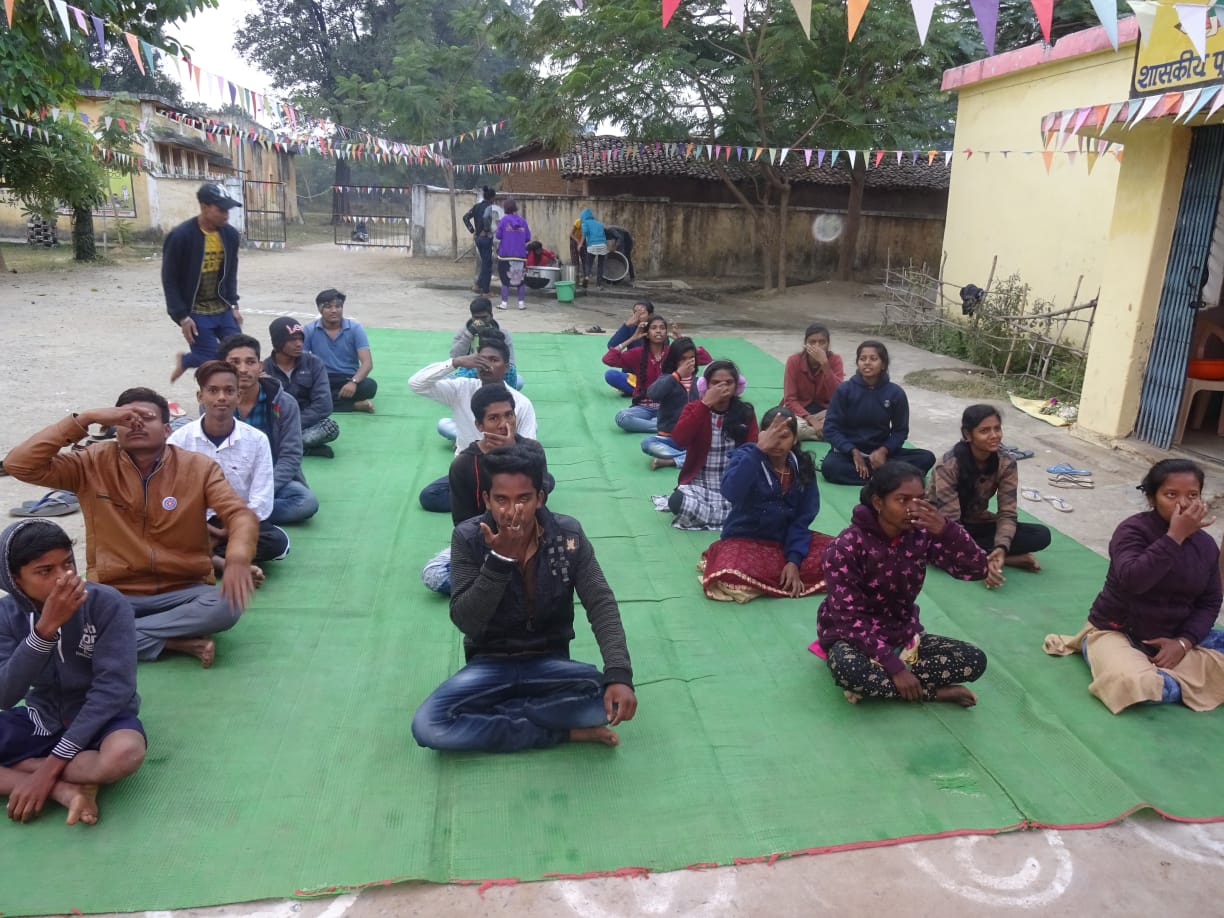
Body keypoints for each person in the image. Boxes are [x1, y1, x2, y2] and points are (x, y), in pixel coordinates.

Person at [4, 388, 258, 668]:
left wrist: (236, 558)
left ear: (165, 429)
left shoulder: (199, 468)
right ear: (114, 427)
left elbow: (239, 515)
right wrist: (85, 418)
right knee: (61, 616)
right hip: (112, 592)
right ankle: (169, 640)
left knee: (227, 605)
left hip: (182, 590)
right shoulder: (91, 462)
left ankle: (112, 638)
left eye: (146, 417)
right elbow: (19, 465)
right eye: (126, 418)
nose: (136, 424)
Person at [411, 444, 637, 752]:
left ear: (540, 498)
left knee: (609, 702)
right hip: (490, 664)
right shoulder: (468, 537)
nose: (512, 511)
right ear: (487, 500)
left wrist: (619, 674)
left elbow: (601, 602)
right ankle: (560, 731)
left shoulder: (567, 535)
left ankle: (495, 715)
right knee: (429, 727)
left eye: (524, 499)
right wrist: (499, 562)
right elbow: (466, 621)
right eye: (501, 500)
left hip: (550, 664)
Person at [1043, 459, 1224, 713]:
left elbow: (1210, 601)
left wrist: (1183, 643)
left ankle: (1171, 672)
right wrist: (1175, 537)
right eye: (1171, 495)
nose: (1183, 503)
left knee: (1158, 674)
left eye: (1192, 495)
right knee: (1133, 684)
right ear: (1152, 499)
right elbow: (1133, 580)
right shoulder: (1132, 532)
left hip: (1174, 634)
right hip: (1119, 631)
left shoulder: (1205, 546)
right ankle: (1162, 675)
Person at [814, 461, 1000, 707]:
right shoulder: (846, 547)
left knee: (974, 660)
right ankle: (930, 693)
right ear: (879, 503)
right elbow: (848, 622)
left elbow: (977, 569)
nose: (914, 509)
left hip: (902, 633)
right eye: (903, 500)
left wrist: (946, 530)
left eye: (920, 500)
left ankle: (884, 686)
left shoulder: (919, 536)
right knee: (850, 669)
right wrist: (896, 670)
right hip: (853, 639)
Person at [0, 519, 146, 826]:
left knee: (126, 753)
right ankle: (65, 791)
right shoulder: (6, 616)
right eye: (45, 571)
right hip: (42, 716)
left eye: (68, 563)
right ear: (15, 580)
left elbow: (113, 691)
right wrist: (43, 632)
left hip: (104, 719)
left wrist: (46, 769)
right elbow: (6, 695)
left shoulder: (107, 603)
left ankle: (28, 770)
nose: (64, 578)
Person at [420, 384, 555, 595]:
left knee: (561, 558)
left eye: (509, 415)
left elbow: (540, 505)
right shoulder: (464, 464)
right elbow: (462, 524)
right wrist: (494, 544)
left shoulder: (532, 451)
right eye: (494, 418)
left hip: (530, 537)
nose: (504, 424)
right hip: (487, 541)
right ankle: (512, 583)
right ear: (479, 424)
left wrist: (513, 454)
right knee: (433, 574)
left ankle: (501, 584)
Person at [168, 362, 290, 575]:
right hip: (195, 522)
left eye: (229, 391)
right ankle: (222, 560)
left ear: (238, 397)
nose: (221, 398)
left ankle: (200, 559)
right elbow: (171, 495)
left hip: (239, 519)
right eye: (213, 391)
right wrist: (210, 530)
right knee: (164, 532)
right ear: (200, 397)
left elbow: (261, 498)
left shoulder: (257, 440)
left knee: (276, 542)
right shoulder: (179, 440)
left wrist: (231, 529)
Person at [700, 408, 832, 603]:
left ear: (795, 439)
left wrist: (794, 561)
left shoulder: (802, 465)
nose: (777, 442)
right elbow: (731, 492)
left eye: (784, 436)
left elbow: (803, 518)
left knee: (841, 554)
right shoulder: (746, 456)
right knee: (731, 568)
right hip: (746, 541)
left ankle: (773, 577)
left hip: (786, 542)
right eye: (772, 435)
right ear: (761, 435)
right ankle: (771, 577)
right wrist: (758, 451)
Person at [412, 336, 538, 512]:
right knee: (429, 496)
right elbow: (416, 384)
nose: (487, 366)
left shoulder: (521, 403)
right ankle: (493, 501)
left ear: (506, 367)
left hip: (507, 470)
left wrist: (511, 449)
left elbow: (529, 449)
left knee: (544, 480)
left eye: (494, 360)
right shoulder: (461, 389)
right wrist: (455, 362)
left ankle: (484, 500)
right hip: (469, 470)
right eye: (482, 360)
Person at [928, 404, 1051, 578]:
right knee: (927, 545)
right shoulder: (948, 465)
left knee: (1040, 535)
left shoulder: (1006, 463)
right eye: (984, 430)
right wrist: (981, 563)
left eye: (997, 429)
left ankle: (993, 555)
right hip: (944, 526)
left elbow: (1007, 513)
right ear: (967, 435)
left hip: (976, 522)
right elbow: (952, 524)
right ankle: (1000, 559)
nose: (994, 436)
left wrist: (1001, 547)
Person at [218, 335, 318, 526]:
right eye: (234, 362)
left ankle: (237, 516)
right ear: (223, 367)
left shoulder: (284, 403)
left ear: (260, 366)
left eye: (250, 362)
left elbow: (291, 456)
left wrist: (263, 491)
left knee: (305, 502)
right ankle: (250, 515)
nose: (243, 369)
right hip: (230, 481)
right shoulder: (216, 403)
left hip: (272, 479)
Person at [821, 340, 935, 486]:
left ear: (884, 364)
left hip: (882, 453)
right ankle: (888, 478)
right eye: (863, 359)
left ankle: (876, 476)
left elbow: (900, 431)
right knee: (830, 467)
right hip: (849, 453)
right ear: (857, 363)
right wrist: (852, 451)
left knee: (926, 458)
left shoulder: (895, 393)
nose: (867, 363)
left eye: (873, 359)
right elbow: (830, 428)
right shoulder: (845, 390)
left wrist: (883, 451)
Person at [164, 182, 243, 384]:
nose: (226, 216)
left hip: (222, 305)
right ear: (204, 206)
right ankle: (188, 360)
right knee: (210, 360)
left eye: (228, 211)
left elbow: (231, 271)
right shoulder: (180, 236)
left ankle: (238, 397)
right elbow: (169, 279)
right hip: (195, 309)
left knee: (238, 353)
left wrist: (233, 304)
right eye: (221, 210)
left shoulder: (230, 236)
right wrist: (182, 317)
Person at [667, 360, 758, 531]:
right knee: (676, 501)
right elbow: (679, 439)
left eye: (729, 383)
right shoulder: (694, 408)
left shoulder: (745, 412)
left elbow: (752, 450)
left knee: (758, 504)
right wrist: (705, 405)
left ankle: (716, 516)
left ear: (737, 386)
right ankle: (731, 519)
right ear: (705, 386)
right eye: (715, 383)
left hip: (733, 484)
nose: (722, 388)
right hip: (700, 485)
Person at [604, 316, 710, 434]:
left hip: (670, 406)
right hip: (644, 406)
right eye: (654, 328)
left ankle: (662, 423)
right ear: (647, 334)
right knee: (622, 418)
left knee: (691, 413)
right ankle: (663, 426)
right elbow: (609, 359)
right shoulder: (638, 353)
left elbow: (705, 359)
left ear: (666, 333)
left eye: (662, 328)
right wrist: (632, 338)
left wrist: (682, 341)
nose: (658, 331)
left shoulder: (673, 352)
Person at [263, 316, 339, 459]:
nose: (299, 344)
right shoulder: (265, 369)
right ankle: (302, 448)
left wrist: (293, 423)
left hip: (305, 423)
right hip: (277, 425)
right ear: (278, 343)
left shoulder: (313, 363)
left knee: (330, 428)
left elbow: (324, 405)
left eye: (300, 339)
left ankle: (282, 448)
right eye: (292, 340)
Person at [302, 289, 377, 414]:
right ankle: (353, 405)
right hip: (321, 378)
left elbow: (367, 363)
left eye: (338, 306)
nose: (334, 310)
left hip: (348, 378)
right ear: (320, 310)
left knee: (370, 386)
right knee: (300, 389)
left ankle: (322, 402)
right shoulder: (309, 330)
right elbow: (301, 359)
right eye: (328, 307)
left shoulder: (355, 329)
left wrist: (353, 382)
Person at [640, 336, 704, 470]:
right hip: (670, 438)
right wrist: (678, 374)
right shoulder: (668, 379)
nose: (687, 363)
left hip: (694, 439)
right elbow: (653, 394)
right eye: (683, 359)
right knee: (647, 443)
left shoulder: (700, 382)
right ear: (675, 360)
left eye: (690, 358)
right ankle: (690, 458)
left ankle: (672, 461)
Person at [780, 323, 845, 441]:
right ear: (805, 344)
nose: (817, 346)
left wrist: (825, 366)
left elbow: (838, 396)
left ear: (828, 344)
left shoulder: (835, 360)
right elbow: (790, 399)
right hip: (799, 412)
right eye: (812, 342)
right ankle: (826, 433)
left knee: (848, 419)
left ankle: (811, 433)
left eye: (822, 342)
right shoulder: (794, 361)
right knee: (787, 425)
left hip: (825, 412)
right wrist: (810, 419)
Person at [450, 298, 522, 391]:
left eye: (484, 317)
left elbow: (510, 362)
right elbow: (454, 356)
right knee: (441, 377)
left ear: (491, 315)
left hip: (495, 372)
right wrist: (469, 335)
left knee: (519, 381)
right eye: (476, 318)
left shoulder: (503, 333)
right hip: (469, 371)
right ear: (472, 317)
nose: (480, 322)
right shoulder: (465, 332)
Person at [604, 300, 654, 396]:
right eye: (635, 313)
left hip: (652, 377)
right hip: (633, 377)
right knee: (611, 375)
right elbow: (612, 347)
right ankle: (641, 391)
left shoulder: (655, 330)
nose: (637, 316)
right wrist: (626, 326)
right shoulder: (630, 328)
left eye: (642, 313)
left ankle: (642, 391)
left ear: (650, 315)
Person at [494, 198, 530, 311]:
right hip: (520, 255)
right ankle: (521, 304)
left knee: (505, 280)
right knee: (520, 280)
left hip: (505, 255)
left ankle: (504, 304)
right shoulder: (523, 221)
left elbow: (498, 236)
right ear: (515, 208)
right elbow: (528, 237)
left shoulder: (504, 221)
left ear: (505, 208)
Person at [463, 186, 497, 295]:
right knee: (487, 265)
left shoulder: (476, 207)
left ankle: (477, 285)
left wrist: (473, 231)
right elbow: (486, 218)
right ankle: (485, 290)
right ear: (492, 197)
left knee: (485, 263)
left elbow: (465, 218)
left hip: (478, 238)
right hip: (486, 238)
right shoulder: (490, 208)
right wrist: (486, 230)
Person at [579, 207, 608, 288]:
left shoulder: (585, 223)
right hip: (603, 245)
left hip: (592, 245)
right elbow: (604, 234)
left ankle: (587, 277)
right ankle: (599, 284)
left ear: (583, 216)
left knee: (588, 263)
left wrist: (580, 244)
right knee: (600, 265)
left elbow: (585, 232)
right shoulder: (599, 223)